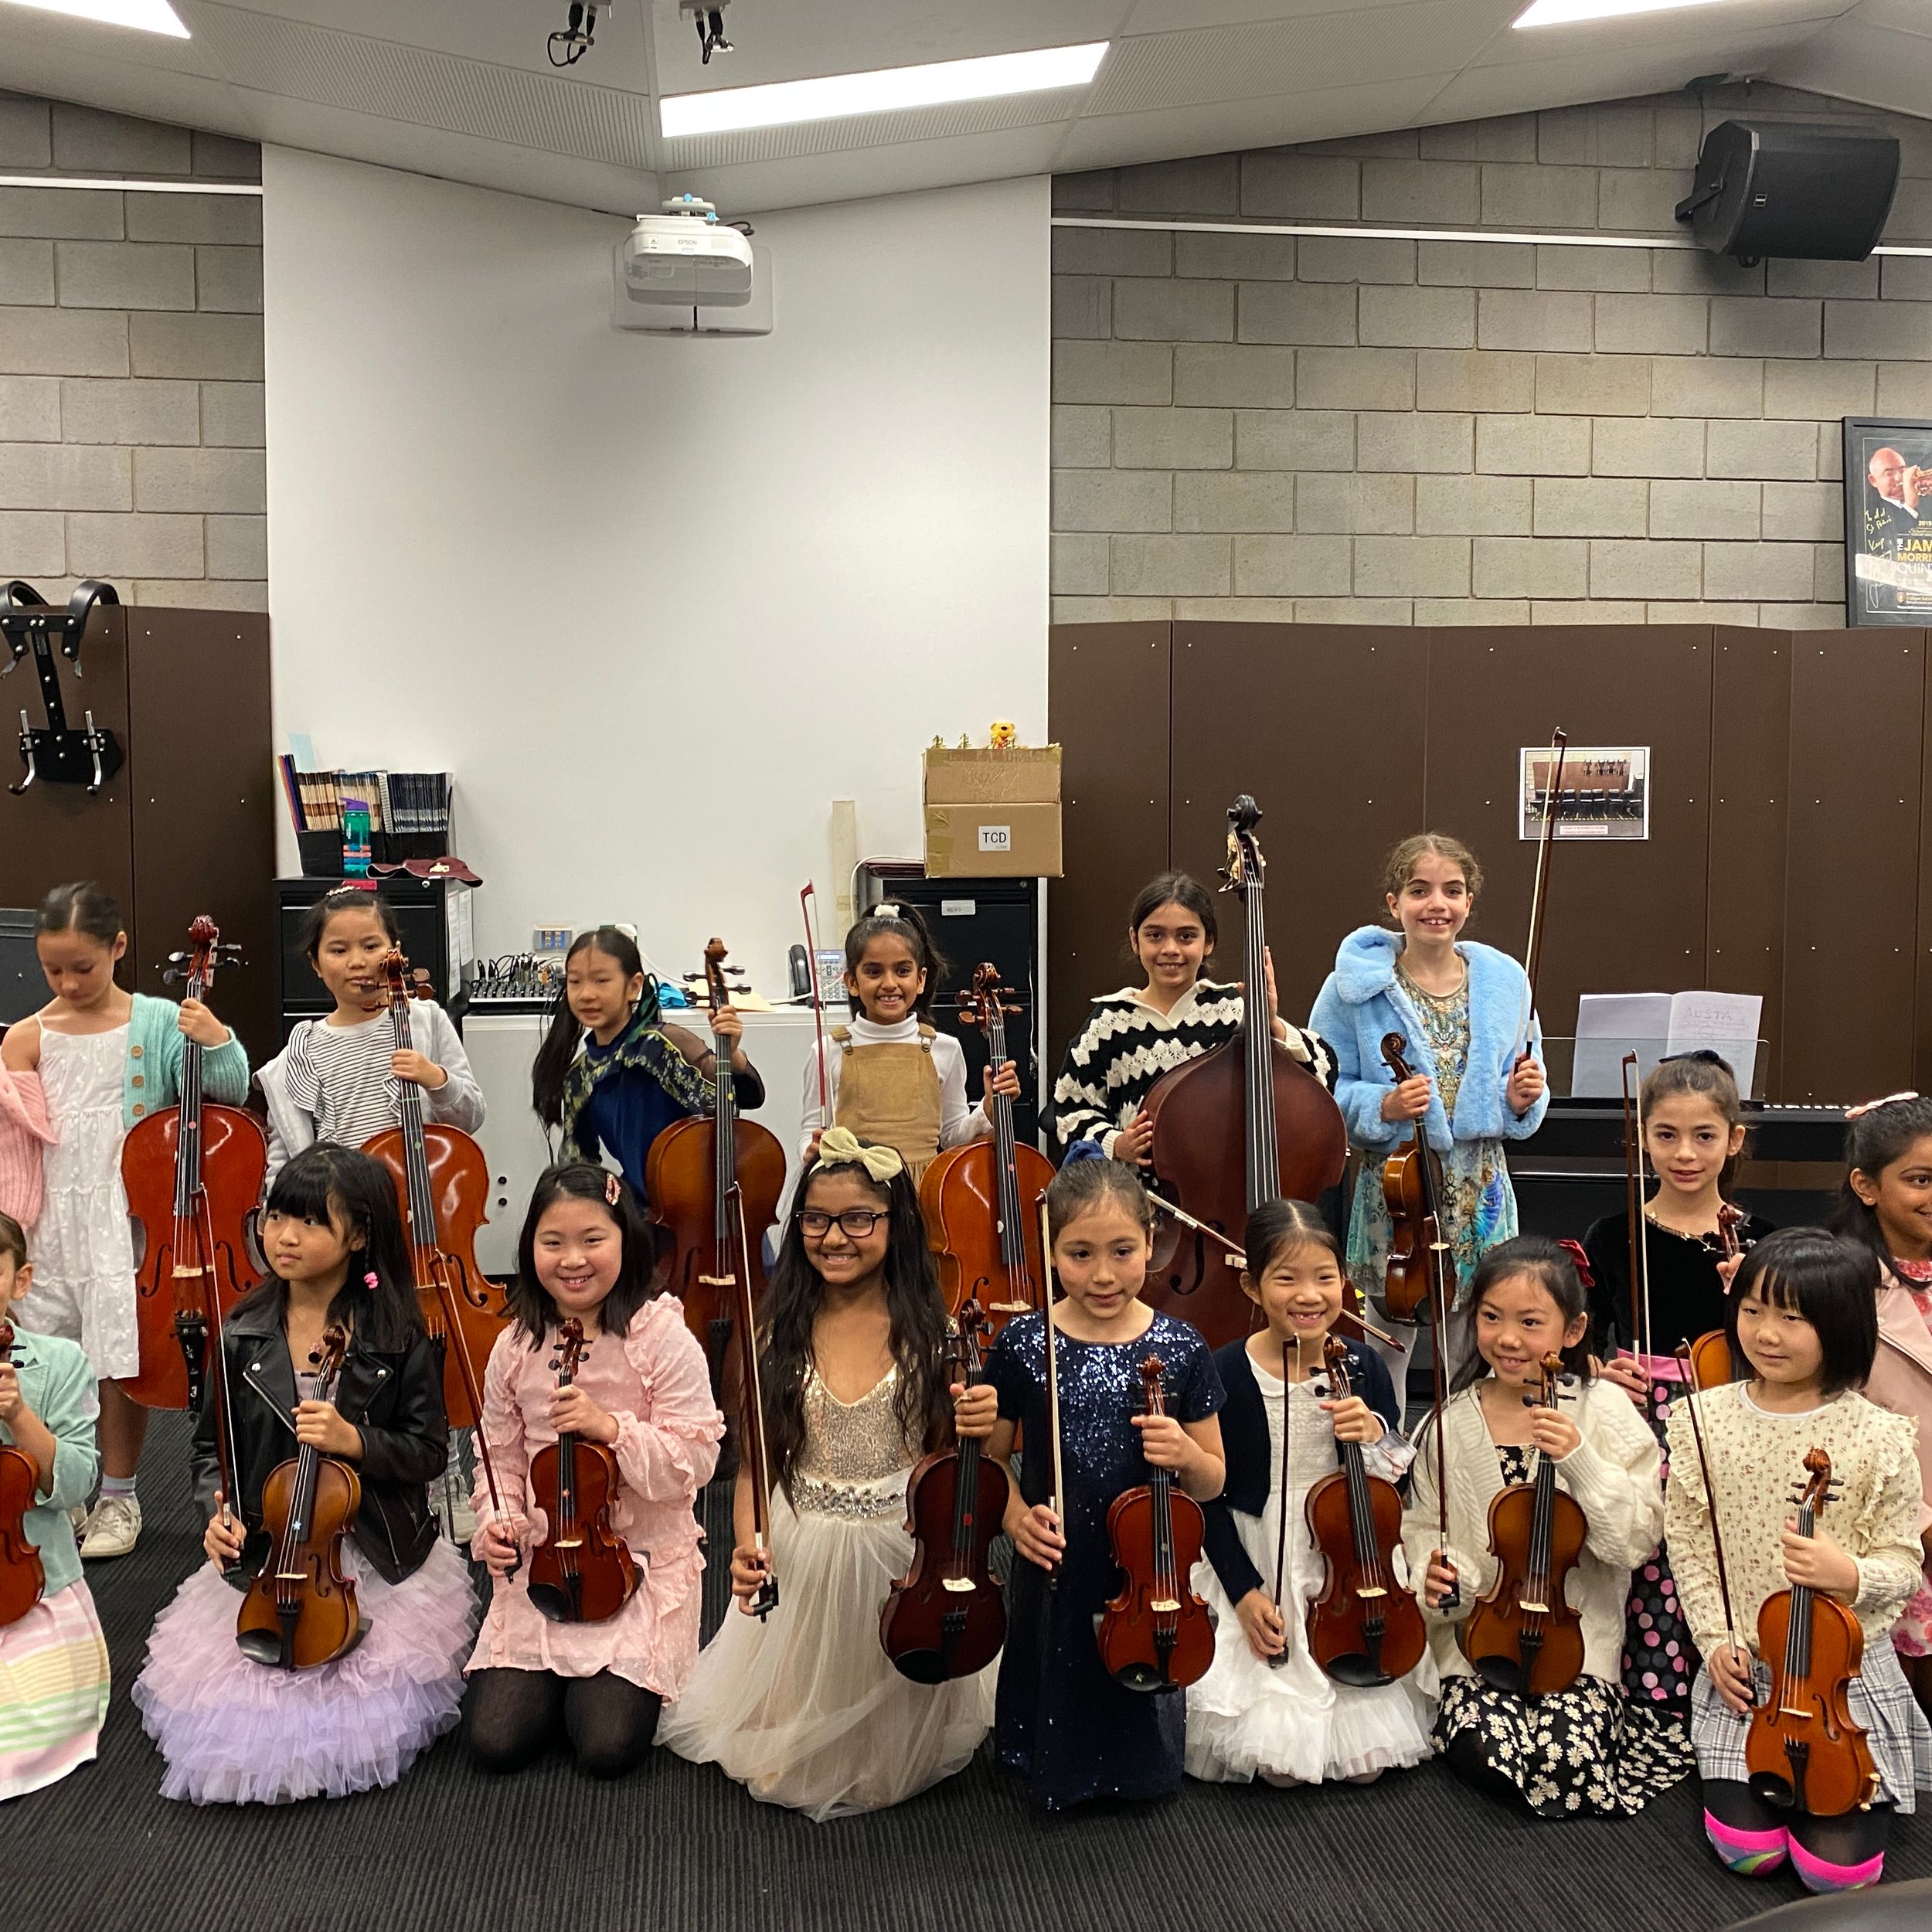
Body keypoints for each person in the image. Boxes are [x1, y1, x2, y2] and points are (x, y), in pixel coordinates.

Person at [659, 1128, 990, 1818]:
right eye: (816, 1220)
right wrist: (750, 1543)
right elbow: (756, 1470)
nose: (834, 1237)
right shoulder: (776, 1333)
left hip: (901, 1550)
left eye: (858, 1219)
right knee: (790, 1725)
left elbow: (949, 1470)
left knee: (888, 1736)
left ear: (896, 1225)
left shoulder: (933, 1335)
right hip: (804, 1540)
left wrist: (977, 1427)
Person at [133, 1143, 478, 1804]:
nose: (284, 1237)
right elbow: (211, 1450)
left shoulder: (398, 1332)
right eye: (276, 1217)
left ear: (359, 1236)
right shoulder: (242, 1331)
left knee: (354, 1704)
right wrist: (217, 1515)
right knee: (233, 1708)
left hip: (368, 1543)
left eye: (312, 1221)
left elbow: (428, 1452)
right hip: (272, 1548)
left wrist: (355, 1441)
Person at [1666, 1228, 1932, 1892]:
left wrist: (1849, 1575)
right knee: (1748, 1854)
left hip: (1842, 1679)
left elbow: (1904, 1564)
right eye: (1753, 1310)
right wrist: (1715, 1640)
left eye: (1792, 1318)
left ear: (1840, 1324)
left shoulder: (1880, 1435)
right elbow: (1691, 1545)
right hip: (1748, 1672)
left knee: (1836, 1876)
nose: (1766, 1334)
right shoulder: (1702, 1419)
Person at [1403, 1234, 1692, 1817]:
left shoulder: (1605, 1410)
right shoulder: (1447, 1423)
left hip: (1576, 1644)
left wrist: (1580, 1459)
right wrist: (1437, 1573)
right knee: (1489, 1750)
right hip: (1477, 1642)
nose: (1508, 1339)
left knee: (1567, 1754)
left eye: (1530, 1322)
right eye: (1491, 1317)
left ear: (1573, 1330)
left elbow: (1633, 1544)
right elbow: (1424, 1527)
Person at [4, 880, 250, 1560]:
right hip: (52, 1213)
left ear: (118, 948)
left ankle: (119, 1494)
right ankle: (60, 1485)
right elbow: (13, 1148)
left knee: (118, 1353)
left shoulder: (158, 1021)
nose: (68, 983)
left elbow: (227, 1090)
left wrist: (218, 1041)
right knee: (47, 1348)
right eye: (53, 969)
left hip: (127, 1212)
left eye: (82, 967)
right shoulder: (26, 1038)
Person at [979, 1159, 1226, 1810]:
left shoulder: (1182, 1347)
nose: (1104, 1275)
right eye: (1080, 1254)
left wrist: (1184, 1454)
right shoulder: (1024, 1343)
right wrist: (1015, 1518)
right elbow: (992, 1464)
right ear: (1050, 1252)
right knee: (1054, 1651)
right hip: (1057, 1555)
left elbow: (1212, 1479)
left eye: (1122, 1251)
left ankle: (1135, 1763)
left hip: (1147, 1570)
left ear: (1150, 1241)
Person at [464, 1163, 723, 1779]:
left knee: (607, 1747)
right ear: (529, 1247)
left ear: (625, 1241)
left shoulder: (662, 1337)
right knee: (495, 1743)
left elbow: (697, 1460)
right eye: (553, 1242)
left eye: (593, 1240)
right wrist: (498, 1518)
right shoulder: (515, 1345)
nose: (573, 1260)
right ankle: (555, 1676)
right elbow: (499, 1456)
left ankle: (596, 1681)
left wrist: (613, 1429)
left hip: (637, 1557)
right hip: (547, 1557)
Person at [1186, 1199, 1434, 1787]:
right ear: (1251, 1286)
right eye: (1286, 1279)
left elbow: (1394, 1484)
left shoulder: (1364, 1365)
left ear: (1344, 1281)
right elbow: (1208, 1501)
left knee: (1367, 1761)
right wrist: (1244, 1594)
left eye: (1325, 1277)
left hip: (1348, 1555)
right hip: (1259, 1547)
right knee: (1277, 1764)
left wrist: (1375, 1433)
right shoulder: (1225, 1371)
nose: (1309, 1295)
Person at [1310, 834, 1548, 1388]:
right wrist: (1383, 1104)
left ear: (1469, 902)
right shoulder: (1353, 987)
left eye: (1452, 891)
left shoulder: (1505, 981)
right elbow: (1320, 1084)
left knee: (1477, 1340)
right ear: (1394, 902)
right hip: (1399, 1189)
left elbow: (1525, 1070)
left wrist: (1521, 1097)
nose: (1436, 904)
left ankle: (1465, 1439)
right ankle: (1382, 1437)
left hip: (1480, 1187)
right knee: (1386, 1342)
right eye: (1419, 891)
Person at [1583, 1049, 1774, 1723]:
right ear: (1642, 1138)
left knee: (1731, 1548)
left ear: (1734, 1140)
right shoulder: (1614, 1235)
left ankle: (1738, 1689)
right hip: (1645, 1419)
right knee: (1655, 1555)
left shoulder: (1759, 1242)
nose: (1685, 1153)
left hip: (1735, 1417)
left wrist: (1751, 1298)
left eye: (1704, 1136)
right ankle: (1655, 1692)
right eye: (1666, 1135)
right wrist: (1601, 1371)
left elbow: (1794, 1347)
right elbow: (1579, 1335)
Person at [1049, 871, 1332, 1165]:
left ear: (1208, 942)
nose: (1170, 950)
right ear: (1135, 940)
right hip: (1133, 1188)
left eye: (1186, 936)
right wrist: (1116, 1143)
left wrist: (1270, 1023)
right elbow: (1070, 1110)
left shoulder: (1235, 1011)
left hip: (1224, 1182)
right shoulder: (1110, 1022)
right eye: (1155, 936)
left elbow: (1323, 1074)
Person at [256, 886, 484, 1184]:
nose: (357, 962)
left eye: (371, 946)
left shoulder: (426, 1020)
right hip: (338, 1205)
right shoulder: (300, 1054)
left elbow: (471, 1117)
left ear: (395, 952)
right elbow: (281, 1160)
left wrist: (437, 1080)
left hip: (424, 1195)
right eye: (339, 950)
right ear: (316, 964)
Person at [529, 926, 764, 1209]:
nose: (586, 994)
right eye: (575, 982)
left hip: (706, 1208)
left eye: (601, 981)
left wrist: (732, 1055)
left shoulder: (663, 1045)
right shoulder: (580, 1076)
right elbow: (579, 1168)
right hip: (641, 1215)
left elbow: (743, 1100)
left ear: (634, 986)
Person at [1827, 1094, 1932, 1720]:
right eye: (1920, 1180)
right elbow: (1836, 1425)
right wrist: (1923, 1523)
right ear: (1866, 1186)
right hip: (1895, 1537)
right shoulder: (1844, 1288)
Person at [0, 1209, 108, 1800]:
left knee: (28, 1734)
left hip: (29, 1582)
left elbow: (75, 1485)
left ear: (21, 1280)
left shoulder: (60, 1363)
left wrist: (19, 1416)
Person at [798, 903, 1013, 1185]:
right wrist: (810, 1150)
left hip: (924, 1193)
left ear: (920, 980)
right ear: (851, 982)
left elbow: (952, 1138)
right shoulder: (827, 1051)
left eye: (902, 971)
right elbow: (809, 1133)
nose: (889, 983)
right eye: (873, 972)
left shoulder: (945, 1049)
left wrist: (988, 1109)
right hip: (857, 1194)